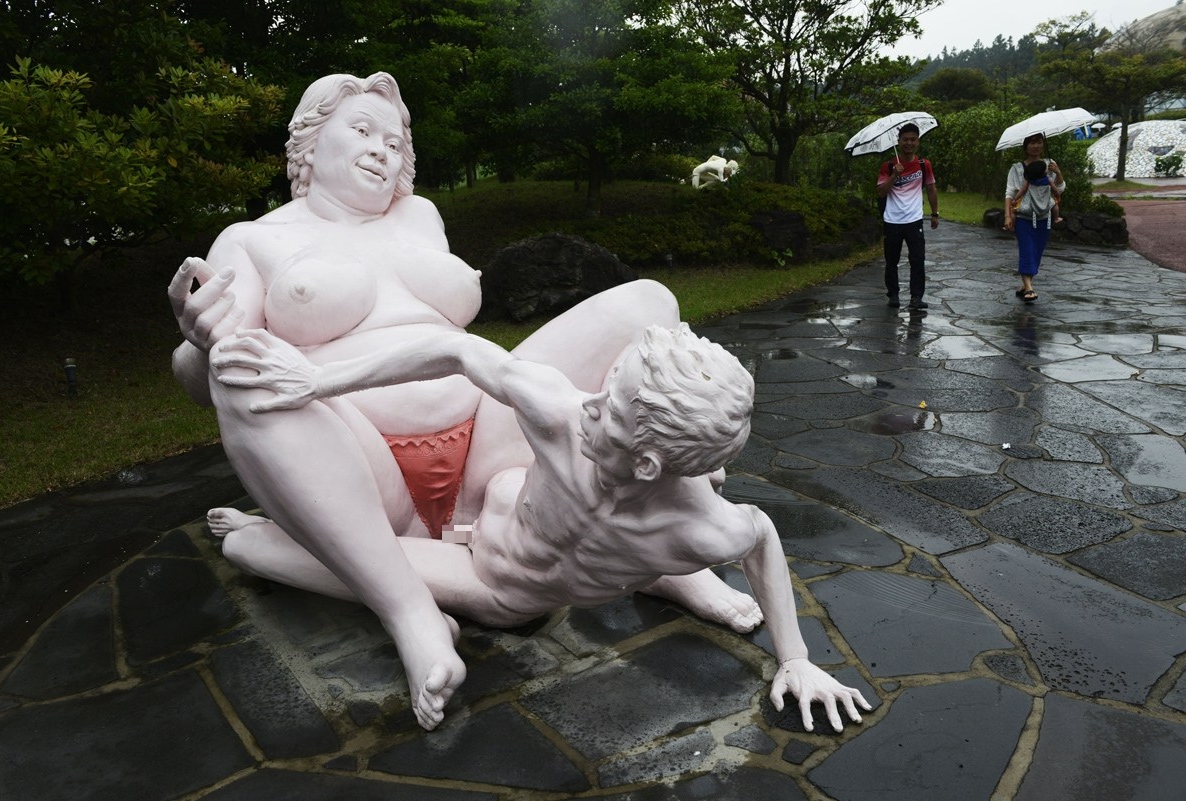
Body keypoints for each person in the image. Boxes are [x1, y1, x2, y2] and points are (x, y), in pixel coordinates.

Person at [166, 72, 689, 730]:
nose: (381, 150)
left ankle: (650, 526)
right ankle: (410, 610)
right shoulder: (252, 239)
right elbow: (205, 379)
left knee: (649, 304)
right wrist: (198, 344)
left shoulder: (422, 216)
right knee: (241, 368)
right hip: (361, 470)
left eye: (394, 141)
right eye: (362, 130)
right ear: (309, 141)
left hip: (490, 447)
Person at [209, 324, 874, 733]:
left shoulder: (701, 526)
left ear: (647, 464)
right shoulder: (563, 413)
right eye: (609, 386)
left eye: (610, 409)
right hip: (485, 515)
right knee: (271, 540)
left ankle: (672, 578)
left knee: (246, 548)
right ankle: (666, 579)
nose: (590, 403)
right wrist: (320, 378)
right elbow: (456, 349)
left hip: (494, 583)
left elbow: (761, 536)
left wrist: (796, 659)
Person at [877, 123, 939, 310]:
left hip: (914, 219)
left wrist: (934, 213)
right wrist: (894, 175)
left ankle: (916, 297)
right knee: (891, 261)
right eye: (905, 139)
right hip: (892, 220)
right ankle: (893, 294)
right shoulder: (888, 166)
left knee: (918, 260)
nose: (909, 143)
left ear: (918, 142)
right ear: (899, 142)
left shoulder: (924, 165)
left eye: (913, 139)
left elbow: (931, 188)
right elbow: (881, 192)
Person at [1004, 133, 1066, 304]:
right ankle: (1029, 288)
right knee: (1027, 250)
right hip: (1024, 218)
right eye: (1032, 143)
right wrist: (1007, 215)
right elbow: (1010, 193)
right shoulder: (1017, 168)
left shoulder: (1049, 164)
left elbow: (1059, 189)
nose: (1036, 146)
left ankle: (1025, 284)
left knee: (1037, 251)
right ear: (1025, 146)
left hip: (1044, 217)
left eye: (1039, 142)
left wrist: (1058, 172)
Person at [1011, 159, 1063, 225]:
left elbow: (1022, 191)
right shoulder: (1048, 180)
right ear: (1043, 172)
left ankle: (1012, 225)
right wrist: (1058, 197)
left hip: (1029, 208)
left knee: (1013, 210)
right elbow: (1055, 190)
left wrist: (1015, 199)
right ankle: (1056, 218)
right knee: (1055, 205)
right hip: (1046, 206)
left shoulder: (1029, 180)